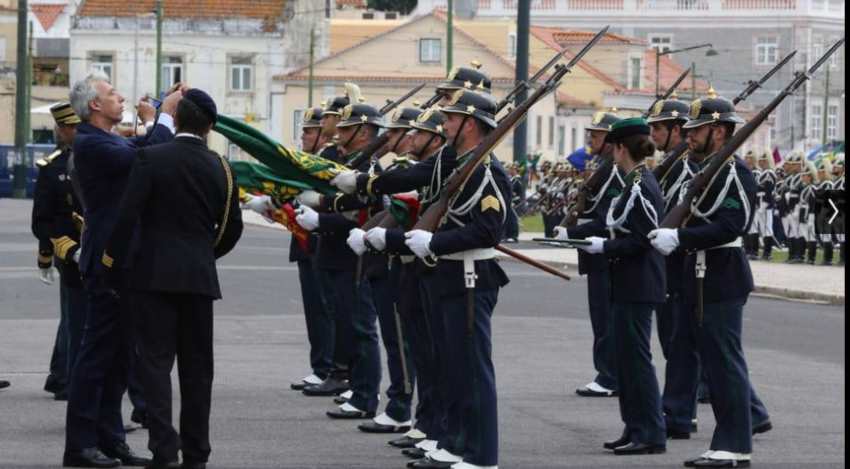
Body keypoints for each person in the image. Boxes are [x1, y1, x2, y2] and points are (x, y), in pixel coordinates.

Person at [101, 88, 242, 469]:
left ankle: (164, 449)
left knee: (155, 366)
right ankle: (197, 453)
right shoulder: (221, 167)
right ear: (209, 127)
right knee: (198, 371)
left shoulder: (150, 158)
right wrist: (203, 255)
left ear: (175, 121)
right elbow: (231, 228)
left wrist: (111, 265)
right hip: (198, 278)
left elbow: (127, 218)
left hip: (152, 276)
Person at [63, 72, 183, 468]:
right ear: (94, 106)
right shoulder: (90, 141)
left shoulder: (108, 139)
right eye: (112, 93)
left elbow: (141, 146)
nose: (120, 98)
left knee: (119, 357)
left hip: (125, 259)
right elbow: (148, 154)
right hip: (107, 262)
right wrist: (164, 116)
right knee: (96, 355)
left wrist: (158, 119)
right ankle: (80, 444)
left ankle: (110, 437)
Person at [649, 95, 771, 468]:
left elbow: (732, 225)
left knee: (724, 362)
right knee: (705, 361)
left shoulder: (736, 172)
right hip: (696, 275)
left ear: (718, 131)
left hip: (721, 274)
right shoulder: (708, 170)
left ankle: (734, 445)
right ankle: (723, 440)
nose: (688, 136)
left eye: (696, 130)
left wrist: (681, 238)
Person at [571, 117, 667, 455]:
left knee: (637, 361)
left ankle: (651, 432)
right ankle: (634, 426)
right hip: (628, 280)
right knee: (627, 360)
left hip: (638, 282)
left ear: (621, 147)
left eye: (612, 145)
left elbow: (643, 239)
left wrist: (603, 247)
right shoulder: (635, 180)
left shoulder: (641, 184)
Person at [556, 110, 623, 398]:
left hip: (607, 255)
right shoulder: (603, 166)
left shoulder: (614, 170)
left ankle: (609, 376)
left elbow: (606, 218)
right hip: (597, 254)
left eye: (596, 134)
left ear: (611, 140)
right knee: (602, 318)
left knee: (606, 318)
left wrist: (571, 234)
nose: (590, 139)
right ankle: (609, 373)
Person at [31, 102, 86, 401]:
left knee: (74, 317)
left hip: (98, 250)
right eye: (73, 127)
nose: (78, 132)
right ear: (63, 131)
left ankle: (60, 375)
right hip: (71, 252)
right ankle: (69, 380)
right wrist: (48, 255)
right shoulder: (52, 167)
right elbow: (42, 219)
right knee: (76, 316)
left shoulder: (96, 157)